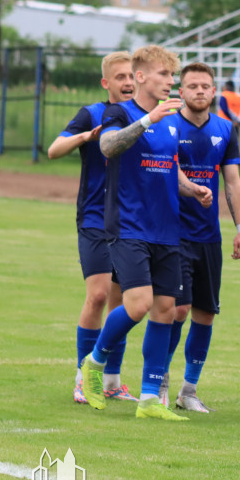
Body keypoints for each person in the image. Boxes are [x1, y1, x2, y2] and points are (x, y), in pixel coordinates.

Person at [79, 45, 213, 421]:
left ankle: (150, 398)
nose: (170, 82)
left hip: (167, 227)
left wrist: (193, 188)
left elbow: (170, 166)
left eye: (172, 76)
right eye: (163, 75)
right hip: (129, 226)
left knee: (166, 310)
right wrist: (146, 120)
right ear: (140, 77)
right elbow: (107, 146)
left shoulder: (173, 118)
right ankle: (95, 361)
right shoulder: (120, 112)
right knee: (137, 305)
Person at [48, 51, 137, 405]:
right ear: (106, 83)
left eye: (132, 76)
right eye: (120, 77)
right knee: (98, 295)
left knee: (122, 302)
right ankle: (84, 376)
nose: (128, 82)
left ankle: (111, 380)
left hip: (131, 221)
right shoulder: (92, 113)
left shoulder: (147, 116)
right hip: (95, 219)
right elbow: (54, 150)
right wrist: (86, 137)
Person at [160, 62, 240, 413]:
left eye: (205, 86)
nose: (199, 91)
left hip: (209, 237)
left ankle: (189, 390)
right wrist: (193, 189)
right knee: (177, 309)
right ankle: (160, 380)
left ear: (214, 92)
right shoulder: (168, 125)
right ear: (180, 91)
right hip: (174, 233)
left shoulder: (225, 129)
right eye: (192, 85)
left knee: (205, 313)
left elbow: (232, 182)